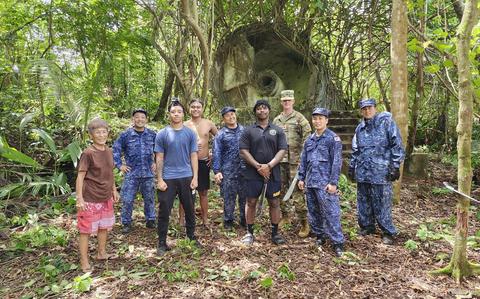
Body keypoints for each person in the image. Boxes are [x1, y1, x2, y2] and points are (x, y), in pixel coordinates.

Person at [348, 98, 405, 245]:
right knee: (363, 200)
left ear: (375, 108)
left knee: (382, 202)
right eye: (364, 109)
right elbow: (355, 149)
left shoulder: (386, 123)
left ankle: (388, 232)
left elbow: (396, 144)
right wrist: (352, 166)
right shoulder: (360, 128)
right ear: (361, 111)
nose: (367, 111)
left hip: (381, 171)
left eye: (369, 108)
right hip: (363, 171)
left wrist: (395, 165)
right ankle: (367, 226)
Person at [154, 99, 201, 255]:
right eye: (173, 111)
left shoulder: (190, 134)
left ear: (183, 114)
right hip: (168, 178)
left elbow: (194, 156)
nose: (176, 114)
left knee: (189, 208)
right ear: (169, 114)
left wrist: (195, 178)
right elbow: (159, 157)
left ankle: (191, 237)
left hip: (186, 176)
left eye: (179, 111)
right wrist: (159, 179)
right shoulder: (162, 134)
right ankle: (161, 242)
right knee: (164, 210)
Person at [239, 99, 287, 245]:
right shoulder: (248, 131)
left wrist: (269, 166)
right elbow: (243, 151)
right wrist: (258, 166)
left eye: (264, 108)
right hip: (252, 173)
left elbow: (282, 150)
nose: (262, 111)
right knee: (251, 201)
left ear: (269, 111)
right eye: (259, 108)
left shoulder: (278, 130)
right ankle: (249, 232)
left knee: (274, 202)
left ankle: (275, 233)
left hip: (273, 173)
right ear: (255, 112)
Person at [297, 108, 344, 257]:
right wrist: (301, 177)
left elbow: (337, 162)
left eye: (320, 118)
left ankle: (338, 242)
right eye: (315, 118)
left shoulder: (333, 139)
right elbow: (304, 160)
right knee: (313, 212)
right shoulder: (309, 140)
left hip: (325, 184)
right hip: (311, 183)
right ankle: (320, 236)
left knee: (331, 212)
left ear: (326, 120)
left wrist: (333, 183)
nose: (317, 121)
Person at [75, 118, 119, 272]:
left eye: (104, 132)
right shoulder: (88, 153)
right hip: (90, 197)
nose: (101, 135)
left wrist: (114, 189)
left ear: (108, 133)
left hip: (105, 196)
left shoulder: (108, 150)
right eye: (97, 132)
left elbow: (110, 172)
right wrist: (79, 198)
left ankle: (101, 252)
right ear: (91, 135)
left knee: (103, 226)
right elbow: (80, 176)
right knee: (86, 230)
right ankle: (84, 260)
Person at [273, 90, 312, 237]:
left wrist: (304, 157)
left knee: (297, 191)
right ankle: (286, 216)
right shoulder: (277, 120)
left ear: (293, 101)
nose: (286, 103)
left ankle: (304, 222)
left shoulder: (300, 119)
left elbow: (308, 138)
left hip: (296, 162)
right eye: (284, 101)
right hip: (280, 161)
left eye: (289, 100)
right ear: (281, 102)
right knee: (281, 189)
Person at [113, 108, 157, 234]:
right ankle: (126, 222)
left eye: (142, 117)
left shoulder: (152, 134)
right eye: (137, 117)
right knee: (127, 199)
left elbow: (159, 150)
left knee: (149, 198)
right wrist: (119, 165)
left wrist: (155, 162)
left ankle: (150, 219)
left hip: (148, 173)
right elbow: (116, 149)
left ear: (146, 120)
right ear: (133, 119)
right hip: (131, 173)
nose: (140, 119)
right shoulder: (125, 135)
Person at [184, 98, 218, 226]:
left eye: (198, 107)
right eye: (193, 107)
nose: (195, 109)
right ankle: (183, 220)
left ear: (202, 109)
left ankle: (205, 219)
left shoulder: (208, 123)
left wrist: (213, 153)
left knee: (203, 192)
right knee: (185, 192)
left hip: (203, 162)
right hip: (187, 162)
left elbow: (219, 139)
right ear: (189, 108)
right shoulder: (184, 124)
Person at [212, 106, 246, 231]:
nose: (231, 117)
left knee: (244, 197)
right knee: (228, 197)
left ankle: (245, 219)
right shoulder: (220, 134)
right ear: (223, 119)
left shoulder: (245, 131)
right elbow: (216, 153)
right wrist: (217, 171)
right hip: (228, 171)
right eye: (227, 115)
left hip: (244, 170)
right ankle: (228, 221)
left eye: (232, 114)